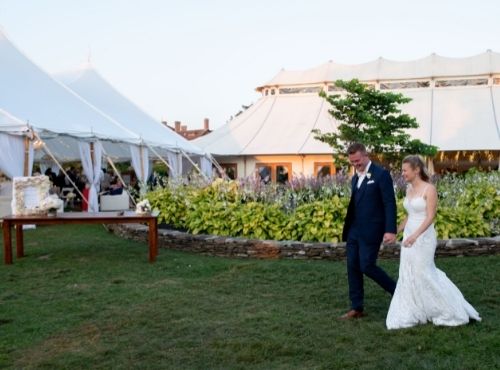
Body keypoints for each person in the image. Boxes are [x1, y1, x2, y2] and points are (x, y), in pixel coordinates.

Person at [386, 155, 481, 329]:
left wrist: (415, 236)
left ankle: (448, 308)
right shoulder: (408, 189)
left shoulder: (429, 189)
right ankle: (415, 309)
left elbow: (430, 217)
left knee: (424, 272)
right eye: (402, 170)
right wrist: (395, 232)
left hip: (424, 236)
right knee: (409, 273)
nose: (403, 173)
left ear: (416, 170)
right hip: (409, 234)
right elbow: (409, 215)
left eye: (405, 170)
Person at [340, 143, 397, 320]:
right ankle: (357, 307)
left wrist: (390, 230)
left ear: (366, 155)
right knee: (352, 267)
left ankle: (397, 291)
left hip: (372, 230)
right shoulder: (355, 178)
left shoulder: (381, 175)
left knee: (366, 265)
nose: (355, 164)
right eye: (352, 162)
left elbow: (389, 203)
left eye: (357, 160)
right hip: (354, 231)